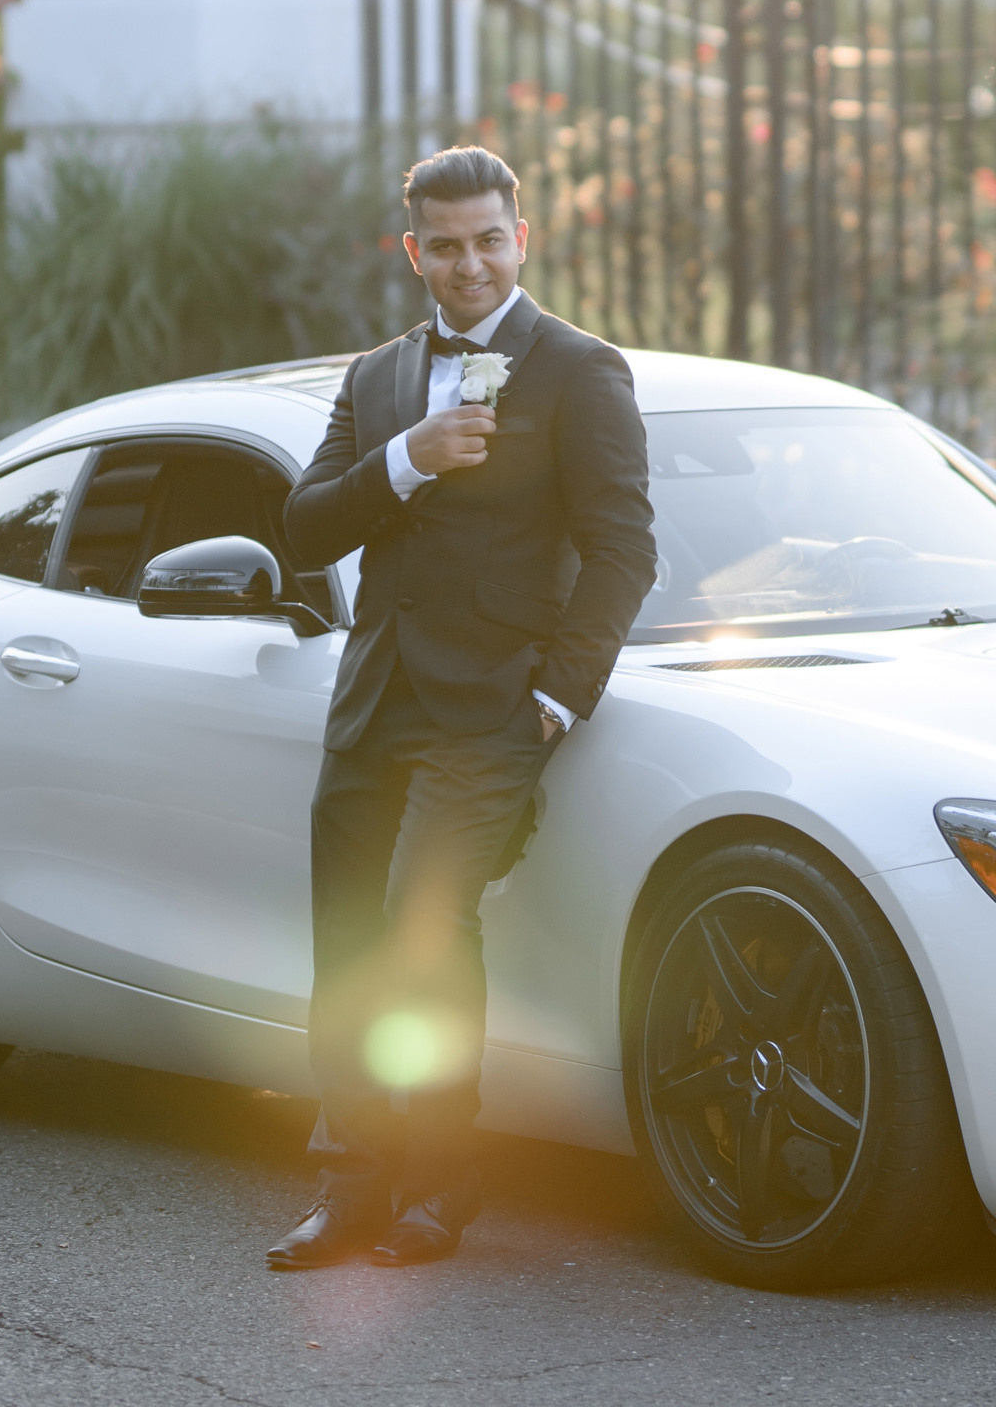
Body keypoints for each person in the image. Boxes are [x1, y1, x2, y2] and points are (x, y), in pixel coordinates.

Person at [267, 143, 656, 1271]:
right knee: (346, 940)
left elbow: (623, 553)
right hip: (373, 700)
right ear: (413, 253)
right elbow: (303, 528)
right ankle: (350, 1185)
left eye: (489, 239)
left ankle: (439, 1182)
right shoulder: (378, 377)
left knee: (425, 931)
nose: (470, 262)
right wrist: (406, 458)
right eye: (445, 245)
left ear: (520, 239)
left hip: (492, 709)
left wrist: (556, 697)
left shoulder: (582, 372)